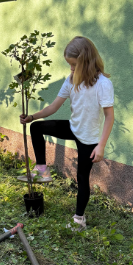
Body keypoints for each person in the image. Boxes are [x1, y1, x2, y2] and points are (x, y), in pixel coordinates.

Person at [20, 36, 116, 230]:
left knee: (82, 177)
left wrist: (101, 146)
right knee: (36, 127)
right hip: (73, 127)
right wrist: (32, 117)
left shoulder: (103, 84)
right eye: (69, 64)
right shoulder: (71, 80)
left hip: (89, 138)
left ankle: (79, 219)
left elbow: (109, 117)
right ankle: (42, 169)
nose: (71, 68)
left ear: (86, 62)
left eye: (74, 64)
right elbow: (54, 106)